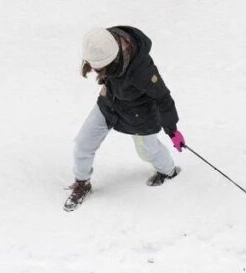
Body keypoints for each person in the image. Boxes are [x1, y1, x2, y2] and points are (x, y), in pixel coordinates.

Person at [65, 26, 186, 211]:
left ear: (112, 58)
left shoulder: (142, 70)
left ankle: (168, 172)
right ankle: (82, 182)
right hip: (110, 105)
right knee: (83, 144)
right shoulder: (103, 40)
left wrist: (172, 130)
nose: (96, 71)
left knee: (147, 151)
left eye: (99, 67)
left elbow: (163, 97)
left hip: (140, 114)